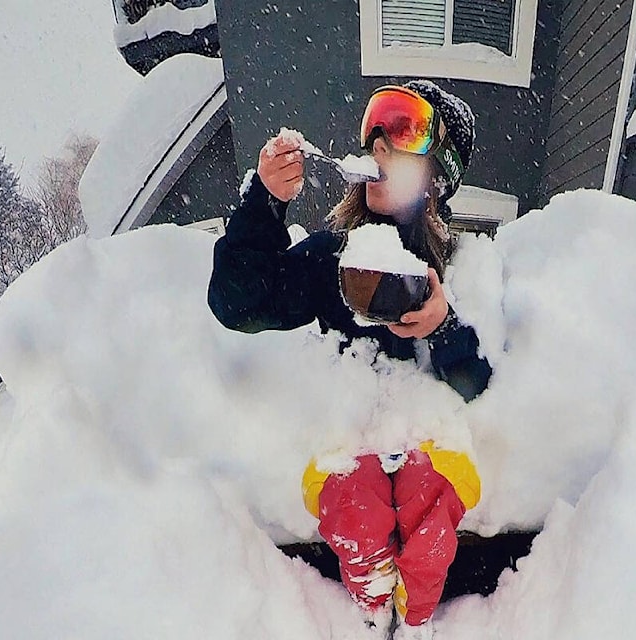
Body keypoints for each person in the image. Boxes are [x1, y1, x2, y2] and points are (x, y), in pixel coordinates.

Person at [207, 80, 491, 638]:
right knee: (349, 491)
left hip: (426, 435)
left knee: (430, 492)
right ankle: (372, 604)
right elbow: (237, 305)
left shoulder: (460, 267)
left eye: (405, 128)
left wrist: (444, 325)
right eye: (376, 127)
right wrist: (265, 202)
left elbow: (476, 380)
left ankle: (416, 617)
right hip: (352, 426)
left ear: (438, 174)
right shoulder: (329, 259)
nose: (380, 142)